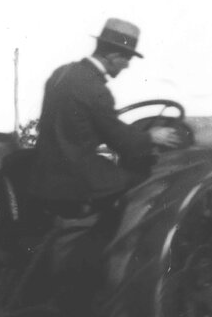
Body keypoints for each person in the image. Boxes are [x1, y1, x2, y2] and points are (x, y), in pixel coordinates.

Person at [29, 17, 181, 216]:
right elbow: (121, 142)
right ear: (114, 55)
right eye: (127, 59)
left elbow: (80, 126)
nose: (126, 66)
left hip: (44, 173)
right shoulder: (97, 90)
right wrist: (151, 136)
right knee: (145, 182)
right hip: (77, 177)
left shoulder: (62, 73)